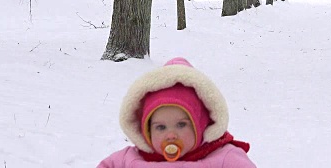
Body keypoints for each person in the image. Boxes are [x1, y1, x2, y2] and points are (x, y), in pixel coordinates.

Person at [97, 57, 257, 167]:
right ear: (147, 131)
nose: (171, 134)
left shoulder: (222, 157)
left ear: (200, 125)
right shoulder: (130, 160)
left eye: (181, 124)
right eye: (160, 127)